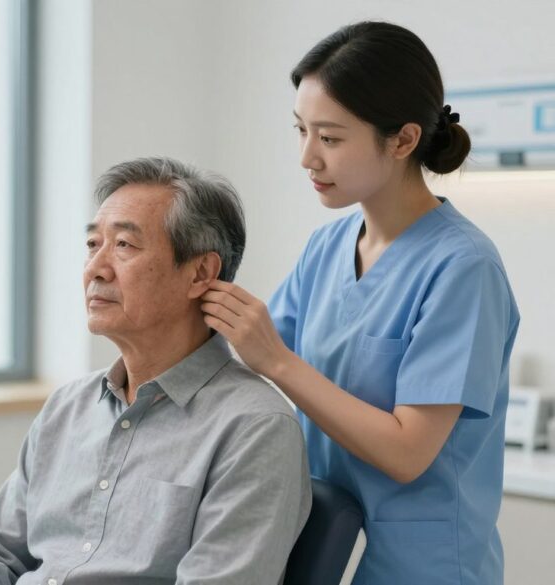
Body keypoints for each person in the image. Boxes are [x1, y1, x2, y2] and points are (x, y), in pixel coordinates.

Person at [201, 22, 519, 585]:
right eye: (300, 131)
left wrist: (276, 359)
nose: (307, 158)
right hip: (319, 542)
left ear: (402, 140)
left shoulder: (464, 268)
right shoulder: (328, 247)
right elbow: (249, 359)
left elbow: (407, 452)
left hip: (424, 568)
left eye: (330, 138)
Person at [0, 157, 311, 585]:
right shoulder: (68, 406)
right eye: (92, 245)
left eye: (124, 246)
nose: (96, 268)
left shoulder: (254, 427)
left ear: (200, 273)